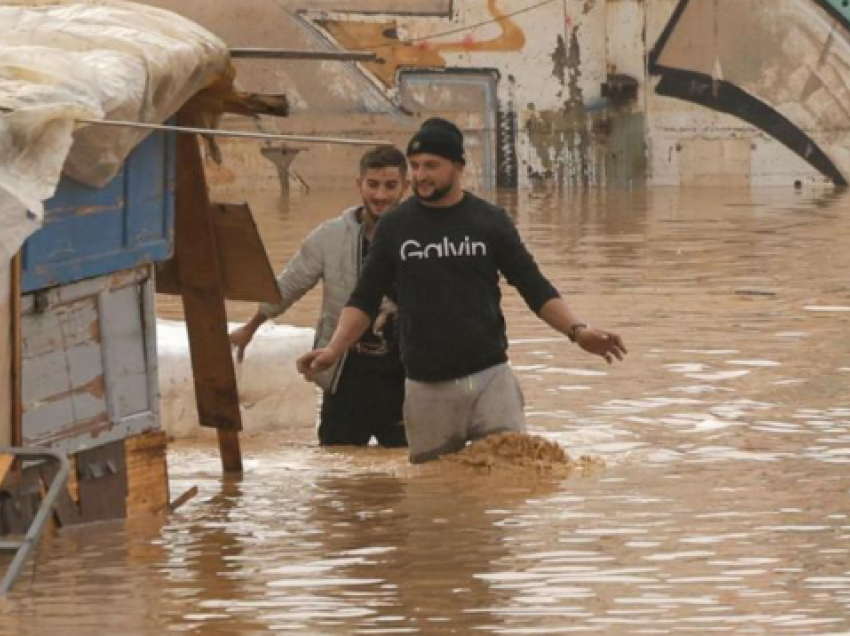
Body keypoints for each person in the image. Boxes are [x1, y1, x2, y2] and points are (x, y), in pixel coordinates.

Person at [297, 118, 627, 464]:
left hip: (490, 379)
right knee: (435, 495)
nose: (421, 175)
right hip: (426, 388)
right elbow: (363, 300)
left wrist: (577, 331)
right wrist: (333, 350)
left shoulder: (490, 221)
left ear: (458, 167)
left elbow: (534, 287)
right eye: (416, 166)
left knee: (511, 477)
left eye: (432, 166)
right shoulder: (395, 226)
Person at [230, 145, 410, 447]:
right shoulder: (330, 236)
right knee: (337, 472)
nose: (380, 196)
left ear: (405, 186)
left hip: (405, 374)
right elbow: (288, 285)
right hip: (344, 372)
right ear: (359, 185)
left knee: (411, 470)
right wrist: (251, 328)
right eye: (373, 185)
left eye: (390, 186)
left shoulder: (421, 237)